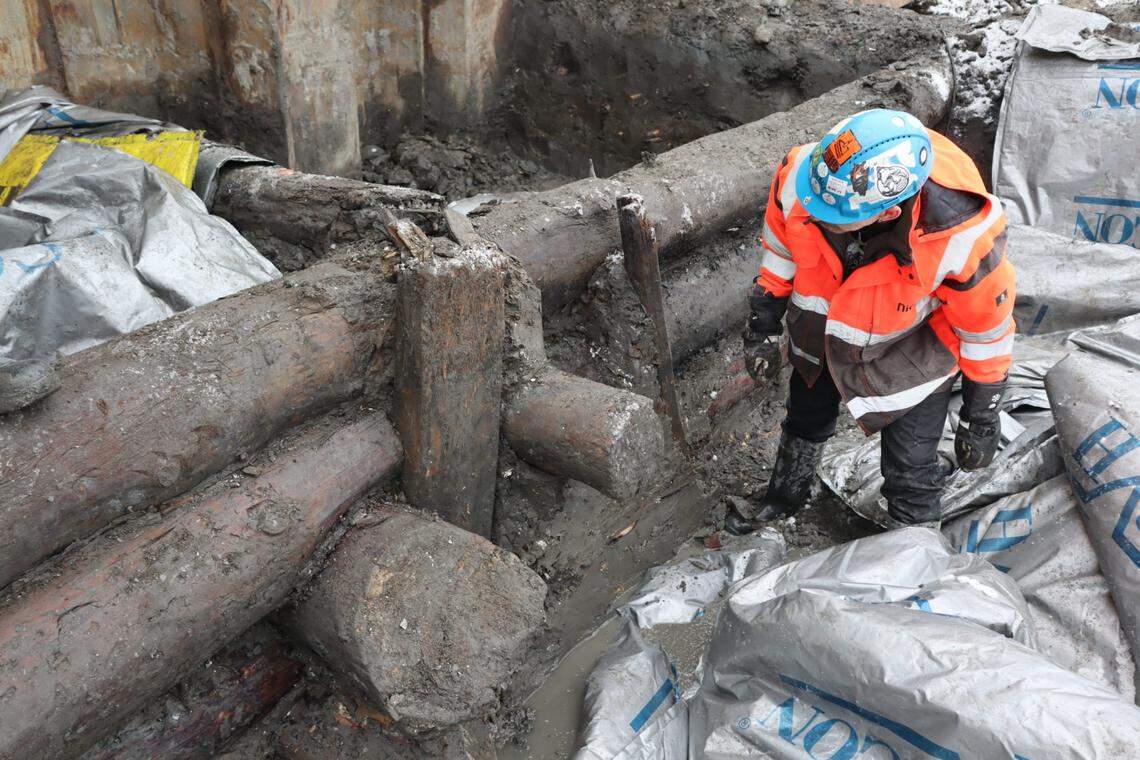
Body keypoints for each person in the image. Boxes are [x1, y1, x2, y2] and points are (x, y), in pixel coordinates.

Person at [726, 108, 1014, 535]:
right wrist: (762, 323)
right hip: (825, 325)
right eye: (813, 199)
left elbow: (985, 330)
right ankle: (785, 497)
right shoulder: (804, 180)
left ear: (887, 215)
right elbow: (781, 251)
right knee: (805, 413)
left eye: (831, 214)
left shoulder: (960, 236)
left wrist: (981, 415)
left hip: (912, 346)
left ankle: (911, 551)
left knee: (910, 469)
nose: (813, 212)